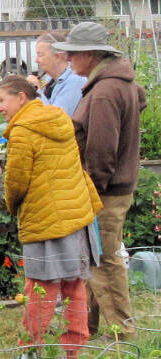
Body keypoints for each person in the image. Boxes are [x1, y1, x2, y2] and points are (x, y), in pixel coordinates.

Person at [0, 75, 101, 359]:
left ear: (21, 98)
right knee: (74, 285)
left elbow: (16, 181)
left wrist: (11, 205)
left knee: (40, 288)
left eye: (2, 100)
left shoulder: (22, 131)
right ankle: (73, 352)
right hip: (75, 214)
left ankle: (28, 354)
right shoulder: (59, 119)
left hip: (45, 219)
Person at [52, 21, 147, 338]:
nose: (68, 61)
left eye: (73, 54)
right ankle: (85, 326)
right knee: (94, 257)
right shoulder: (115, 83)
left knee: (105, 261)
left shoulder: (105, 91)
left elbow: (102, 150)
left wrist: (90, 190)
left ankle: (123, 331)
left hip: (104, 191)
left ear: (90, 54)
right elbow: (141, 99)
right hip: (111, 188)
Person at [25, 32, 85, 117]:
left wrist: (35, 90)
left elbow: (56, 120)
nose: (36, 60)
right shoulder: (49, 80)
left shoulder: (75, 81)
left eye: (40, 55)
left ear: (57, 57)